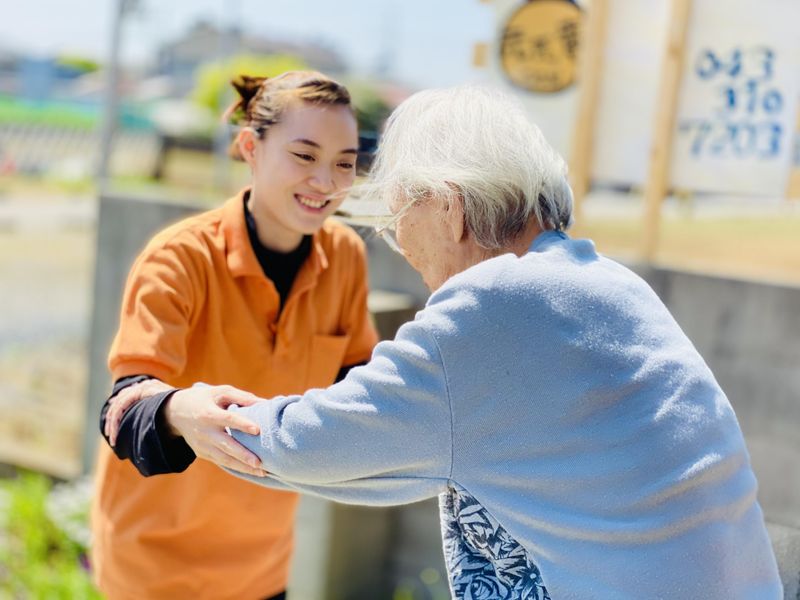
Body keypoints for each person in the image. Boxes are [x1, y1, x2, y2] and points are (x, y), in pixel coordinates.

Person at [107, 85, 782, 599]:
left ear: (450, 207)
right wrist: (160, 409)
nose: (398, 243)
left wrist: (189, 413)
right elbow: (409, 443)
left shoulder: (483, 309)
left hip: (260, 554)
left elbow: (326, 437)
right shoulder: (611, 283)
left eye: (399, 214)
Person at [91, 71, 379, 600]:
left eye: (344, 163)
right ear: (250, 147)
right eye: (304, 155)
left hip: (263, 564)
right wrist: (179, 410)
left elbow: (358, 385)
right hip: (153, 568)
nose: (326, 181)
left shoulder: (345, 257)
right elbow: (124, 407)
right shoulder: (180, 257)